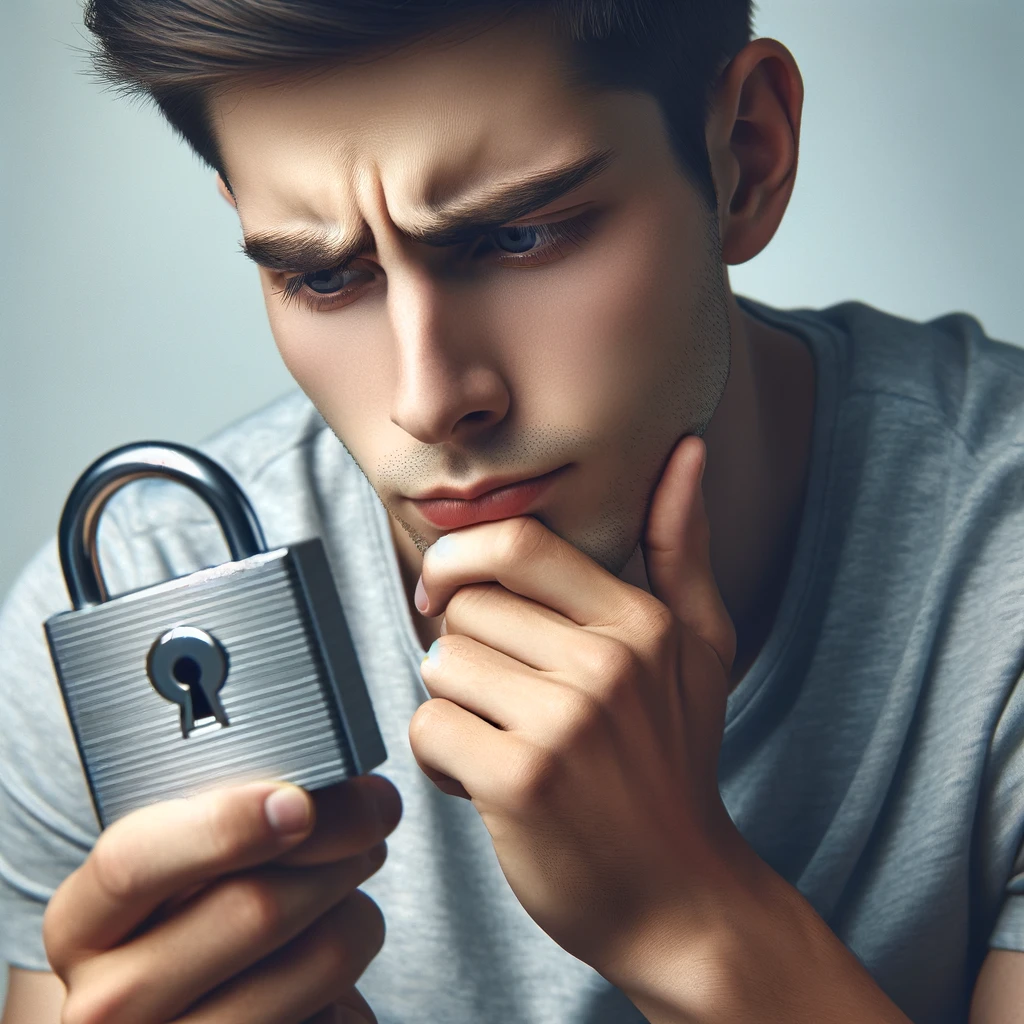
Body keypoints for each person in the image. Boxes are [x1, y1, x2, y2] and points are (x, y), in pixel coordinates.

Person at [0, 1, 1021, 1021]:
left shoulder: (997, 558)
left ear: (744, 157)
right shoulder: (134, 605)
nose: (429, 397)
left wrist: (691, 919)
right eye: (319, 275)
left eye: (519, 234)